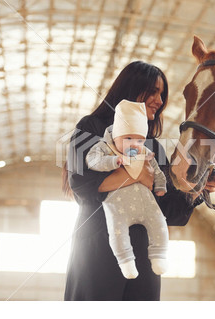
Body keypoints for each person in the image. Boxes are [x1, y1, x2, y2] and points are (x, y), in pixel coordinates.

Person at [62, 61, 215, 301]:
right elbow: (81, 185)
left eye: (162, 94)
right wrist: (137, 174)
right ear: (131, 88)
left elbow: (170, 209)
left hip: (143, 252)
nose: (160, 101)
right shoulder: (91, 127)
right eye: (153, 91)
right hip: (97, 246)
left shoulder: (153, 146)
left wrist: (197, 188)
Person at [85, 99, 169, 279]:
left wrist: (160, 186)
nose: (134, 145)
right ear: (115, 136)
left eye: (139, 140)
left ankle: (159, 254)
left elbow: (158, 172)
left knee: (159, 221)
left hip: (146, 202)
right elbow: (92, 160)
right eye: (128, 138)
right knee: (117, 231)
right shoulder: (106, 148)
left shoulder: (144, 152)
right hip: (118, 205)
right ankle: (125, 261)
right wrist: (113, 161)